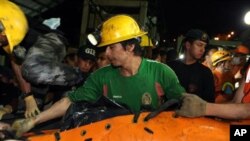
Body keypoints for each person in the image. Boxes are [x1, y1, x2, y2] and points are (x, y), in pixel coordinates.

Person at [11, 14, 186, 137]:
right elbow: (69, 101)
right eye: (105, 48)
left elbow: (183, 106)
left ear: (130, 46)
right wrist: (34, 120)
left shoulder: (161, 73)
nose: (107, 53)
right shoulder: (102, 76)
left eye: (112, 47)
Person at [0, 0, 83, 118]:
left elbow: (19, 64)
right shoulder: (5, 36)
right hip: (32, 57)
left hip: (52, 39)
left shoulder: (9, 17)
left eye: (2, 40)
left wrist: (27, 95)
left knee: (32, 69)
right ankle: (43, 95)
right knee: (32, 107)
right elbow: (16, 62)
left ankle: (79, 76)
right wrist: (29, 97)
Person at [175, 59, 250, 120]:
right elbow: (236, 101)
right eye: (228, 61)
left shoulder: (230, 75)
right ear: (222, 63)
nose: (231, 63)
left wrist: (205, 108)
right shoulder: (214, 76)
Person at [167, 29, 215, 102]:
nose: (203, 50)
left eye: (204, 46)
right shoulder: (169, 67)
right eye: (199, 45)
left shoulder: (206, 73)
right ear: (188, 45)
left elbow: (209, 102)